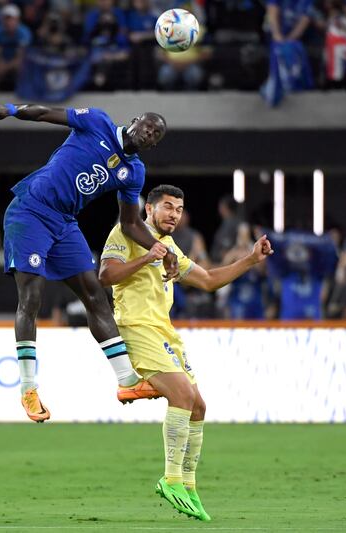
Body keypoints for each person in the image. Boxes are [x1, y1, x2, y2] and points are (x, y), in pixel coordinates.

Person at [0, 100, 175, 422]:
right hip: (30, 210)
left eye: (155, 135)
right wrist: (11, 110)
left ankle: (127, 381)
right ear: (136, 120)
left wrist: (162, 249)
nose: (149, 133)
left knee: (95, 293)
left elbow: (130, 224)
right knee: (31, 296)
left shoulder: (134, 171)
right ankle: (29, 389)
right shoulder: (96, 121)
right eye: (148, 126)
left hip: (65, 222)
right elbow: (44, 113)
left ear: (153, 144)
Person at [98, 184, 273, 521]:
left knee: (198, 406)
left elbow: (207, 280)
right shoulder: (126, 230)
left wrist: (251, 259)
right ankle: (171, 478)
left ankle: (189, 485)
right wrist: (148, 257)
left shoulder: (169, 245)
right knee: (181, 395)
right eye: (167, 207)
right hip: (136, 326)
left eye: (178, 209)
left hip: (163, 329)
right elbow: (105, 275)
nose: (174, 214)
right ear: (148, 209)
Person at [0, 4, 32, 90]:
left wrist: (6, 66)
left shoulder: (24, 32)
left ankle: (20, 91)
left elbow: (22, 55)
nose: (8, 22)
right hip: (2, 59)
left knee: (21, 66)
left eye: (11, 19)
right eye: (6, 19)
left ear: (17, 20)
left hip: (16, 61)